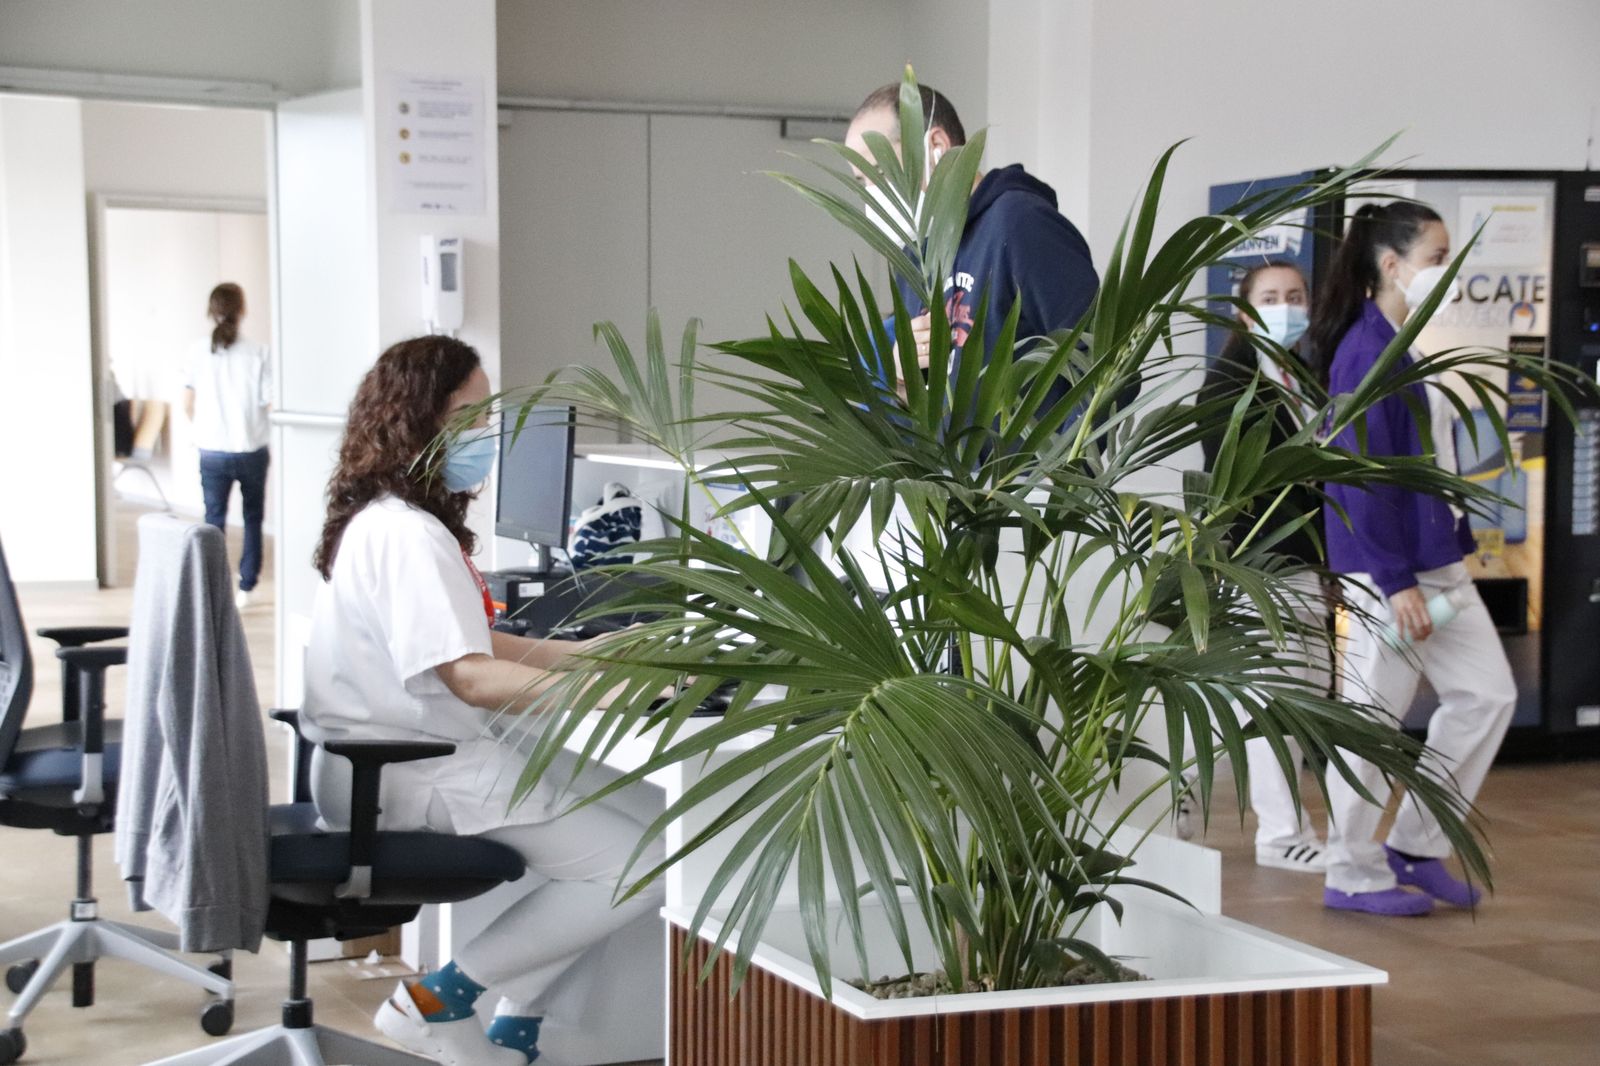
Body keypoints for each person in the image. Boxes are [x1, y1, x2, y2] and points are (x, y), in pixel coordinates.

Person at [300, 335, 664, 1065]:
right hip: (416, 770)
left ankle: (517, 1024)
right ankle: (438, 999)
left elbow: (470, 646)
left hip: (389, 761)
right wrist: (605, 690)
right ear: (420, 420)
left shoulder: (389, 518)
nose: (486, 432)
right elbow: (469, 678)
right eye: (471, 414)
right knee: (644, 864)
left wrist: (593, 656)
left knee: (652, 817)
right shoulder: (407, 535)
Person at [1312, 201, 1516, 917]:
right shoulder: (1367, 352)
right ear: (1391, 265)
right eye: (1437, 257)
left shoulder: (1403, 341)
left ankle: (1417, 844)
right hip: (1390, 572)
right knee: (1373, 719)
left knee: (1489, 695)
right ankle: (1351, 868)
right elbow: (1363, 477)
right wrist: (1394, 581)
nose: (1448, 270)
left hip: (1435, 566)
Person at [844, 82, 1099, 404]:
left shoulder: (1019, 223)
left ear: (936, 145)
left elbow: (1102, 366)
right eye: (863, 181)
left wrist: (1062, 453)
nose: (873, 192)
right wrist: (902, 378)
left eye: (879, 170)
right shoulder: (917, 259)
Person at [1197, 260, 1330, 873]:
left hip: (1307, 561)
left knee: (1307, 694)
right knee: (1271, 701)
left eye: (1295, 295)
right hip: (1261, 561)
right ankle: (1279, 835)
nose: (1287, 306)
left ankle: (1299, 826)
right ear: (1246, 313)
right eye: (1272, 297)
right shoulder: (1229, 382)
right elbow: (1241, 482)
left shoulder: (1305, 376)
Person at [182, 283, 271, 610]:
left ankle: (210, 585)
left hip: (212, 449)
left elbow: (187, 402)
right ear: (242, 310)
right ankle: (246, 586)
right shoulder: (260, 353)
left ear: (211, 310)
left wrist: (205, 427)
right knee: (252, 518)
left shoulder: (196, 352)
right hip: (251, 449)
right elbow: (270, 402)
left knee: (213, 519)